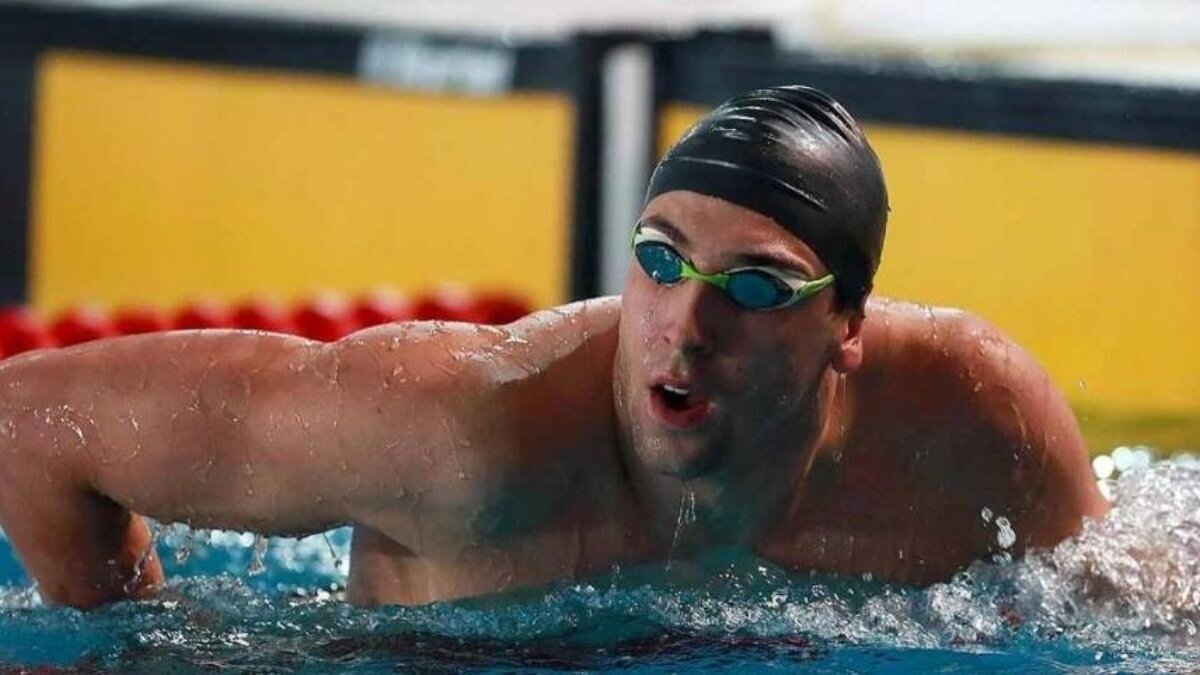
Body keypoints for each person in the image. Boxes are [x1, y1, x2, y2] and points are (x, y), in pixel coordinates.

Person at [0, 86, 1107, 609]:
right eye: (661, 259)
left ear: (848, 329)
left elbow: (1116, 603)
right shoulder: (456, 432)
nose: (687, 324)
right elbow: (29, 422)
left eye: (756, 286)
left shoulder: (970, 419)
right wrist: (127, 647)